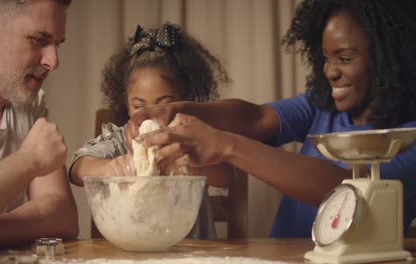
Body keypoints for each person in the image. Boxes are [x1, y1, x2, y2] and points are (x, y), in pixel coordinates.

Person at [124, 0, 416, 238]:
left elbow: (353, 190)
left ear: (389, 57)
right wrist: (172, 110)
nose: (330, 71)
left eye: (345, 58)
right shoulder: (321, 106)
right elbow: (255, 118)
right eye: (326, 58)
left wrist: (227, 146)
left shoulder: (409, 137)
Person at [69, 22, 233, 240]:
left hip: (193, 251)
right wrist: (112, 167)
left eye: (163, 103)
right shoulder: (119, 139)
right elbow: (76, 168)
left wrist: (183, 166)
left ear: (186, 101)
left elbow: (226, 175)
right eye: (138, 106)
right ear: (126, 105)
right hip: (132, 249)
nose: (149, 114)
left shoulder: (191, 140)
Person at [0, 0, 78, 257]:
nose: (53, 61)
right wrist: (28, 160)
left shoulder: (27, 102)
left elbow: (62, 215)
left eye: (57, 44)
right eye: (38, 39)